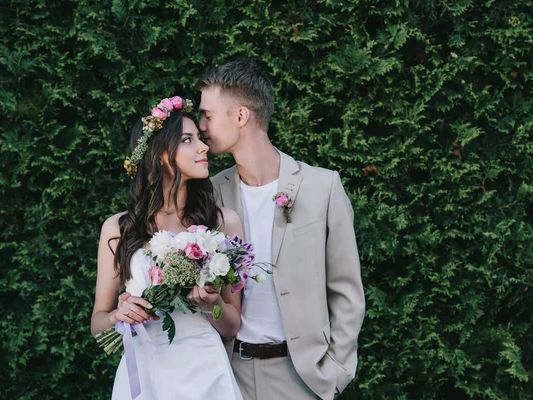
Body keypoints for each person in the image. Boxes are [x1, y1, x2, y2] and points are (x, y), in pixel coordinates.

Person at [196, 61, 365, 400]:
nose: (200, 127)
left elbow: (346, 290)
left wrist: (335, 372)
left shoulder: (323, 186)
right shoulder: (209, 194)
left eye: (208, 115)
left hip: (302, 378)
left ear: (241, 116)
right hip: (229, 375)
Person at [90, 96, 243, 399]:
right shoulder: (118, 228)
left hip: (206, 370)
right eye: (189, 140)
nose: (203, 147)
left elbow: (232, 325)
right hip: (147, 372)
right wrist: (118, 315)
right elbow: (98, 322)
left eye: (200, 139)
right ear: (160, 154)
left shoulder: (223, 222)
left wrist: (210, 303)